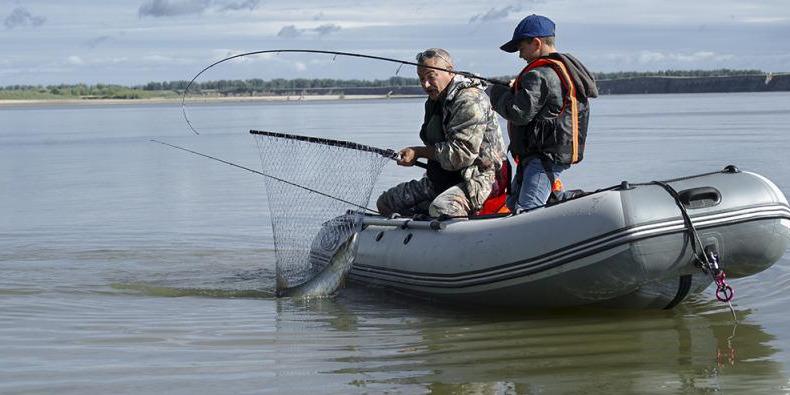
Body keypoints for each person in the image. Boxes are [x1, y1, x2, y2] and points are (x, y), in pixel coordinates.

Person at [376, 48, 507, 218]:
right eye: (421, 79)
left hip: (479, 179)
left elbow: (462, 154)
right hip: (441, 179)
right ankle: (416, 231)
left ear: (450, 71)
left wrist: (418, 153)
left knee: (441, 209)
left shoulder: (470, 99)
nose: (426, 84)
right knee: (385, 203)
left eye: (431, 76)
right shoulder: (434, 101)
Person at [488, 14, 597, 212]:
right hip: (547, 152)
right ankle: (574, 204)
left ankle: (587, 208)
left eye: (521, 49)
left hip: (544, 155)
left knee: (528, 209)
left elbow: (518, 112)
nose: (520, 56)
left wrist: (495, 93)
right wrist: (516, 91)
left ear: (536, 43)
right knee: (512, 203)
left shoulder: (538, 74)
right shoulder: (565, 69)